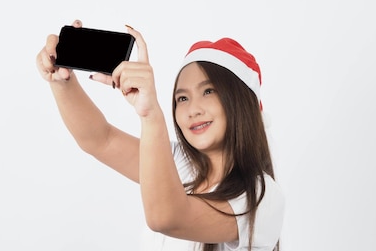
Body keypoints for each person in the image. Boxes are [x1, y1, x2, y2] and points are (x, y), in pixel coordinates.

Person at [35, 19, 285, 251]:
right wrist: (62, 82)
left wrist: (150, 114)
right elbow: (100, 139)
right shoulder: (177, 163)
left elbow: (167, 218)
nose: (192, 110)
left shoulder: (262, 196)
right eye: (182, 98)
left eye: (208, 91)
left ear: (242, 102)